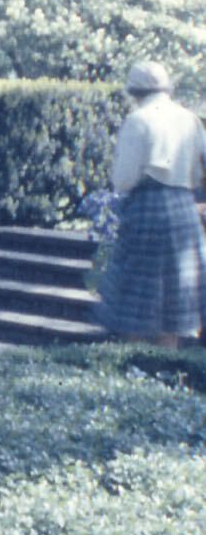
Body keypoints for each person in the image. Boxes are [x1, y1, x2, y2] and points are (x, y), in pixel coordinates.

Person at [94, 60, 206, 348]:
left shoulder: (138, 119)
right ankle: (167, 365)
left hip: (149, 208)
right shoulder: (189, 119)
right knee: (174, 300)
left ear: (135, 91)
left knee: (137, 299)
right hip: (184, 208)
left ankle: (134, 365)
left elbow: (124, 179)